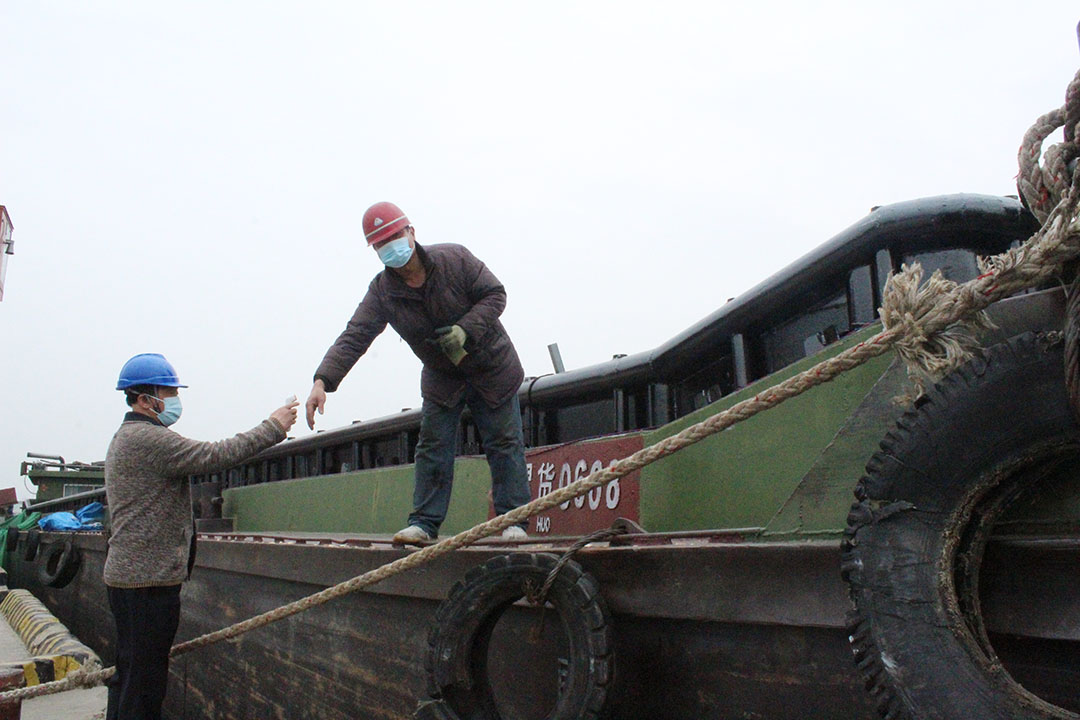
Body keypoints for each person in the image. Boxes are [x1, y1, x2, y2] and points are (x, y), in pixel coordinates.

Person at [305, 201, 531, 544]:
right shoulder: (382, 292)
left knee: (504, 443)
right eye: (382, 243)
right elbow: (355, 335)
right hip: (443, 375)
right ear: (375, 250)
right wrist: (323, 380)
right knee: (432, 447)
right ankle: (424, 524)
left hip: (492, 366)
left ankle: (513, 520)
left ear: (411, 232)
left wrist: (465, 329)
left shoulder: (455, 259)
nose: (391, 246)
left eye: (395, 236)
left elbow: (495, 294)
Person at [104, 352, 298, 720]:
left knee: (128, 676)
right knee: (144, 686)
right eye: (169, 391)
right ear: (145, 399)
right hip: (147, 584)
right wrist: (273, 426)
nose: (175, 400)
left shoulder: (124, 438)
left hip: (129, 580)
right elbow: (215, 455)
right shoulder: (148, 440)